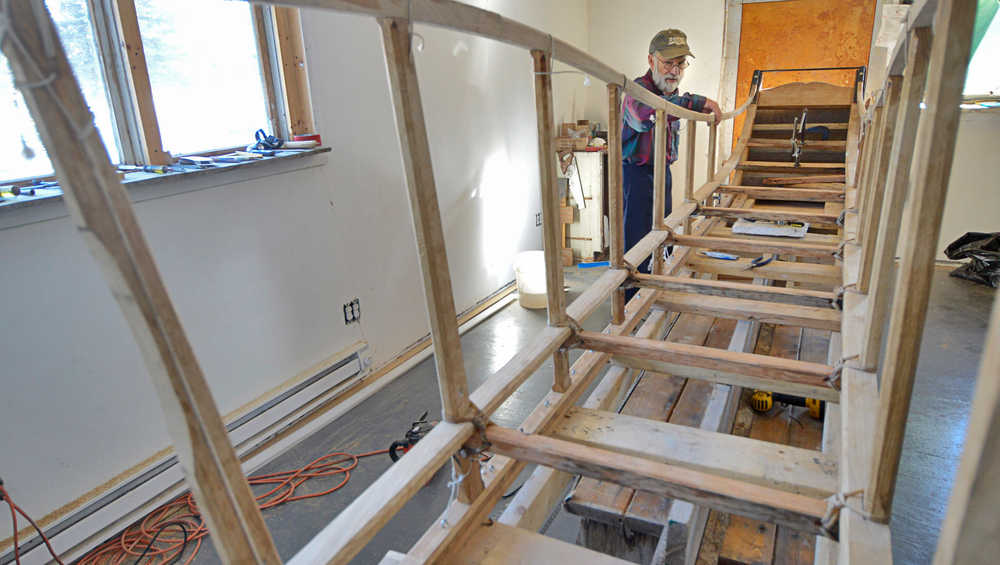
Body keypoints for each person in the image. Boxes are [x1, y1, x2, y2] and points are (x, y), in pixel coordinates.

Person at [621, 29, 721, 294]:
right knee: (636, 242)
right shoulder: (637, 90)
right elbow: (648, 113)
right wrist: (698, 102)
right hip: (637, 175)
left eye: (680, 64)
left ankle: (656, 290)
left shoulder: (672, 96)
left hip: (661, 172)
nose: (674, 71)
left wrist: (693, 104)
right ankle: (631, 303)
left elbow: (670, 105)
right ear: (651, 61)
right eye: (668, 63)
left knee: (662, 231)